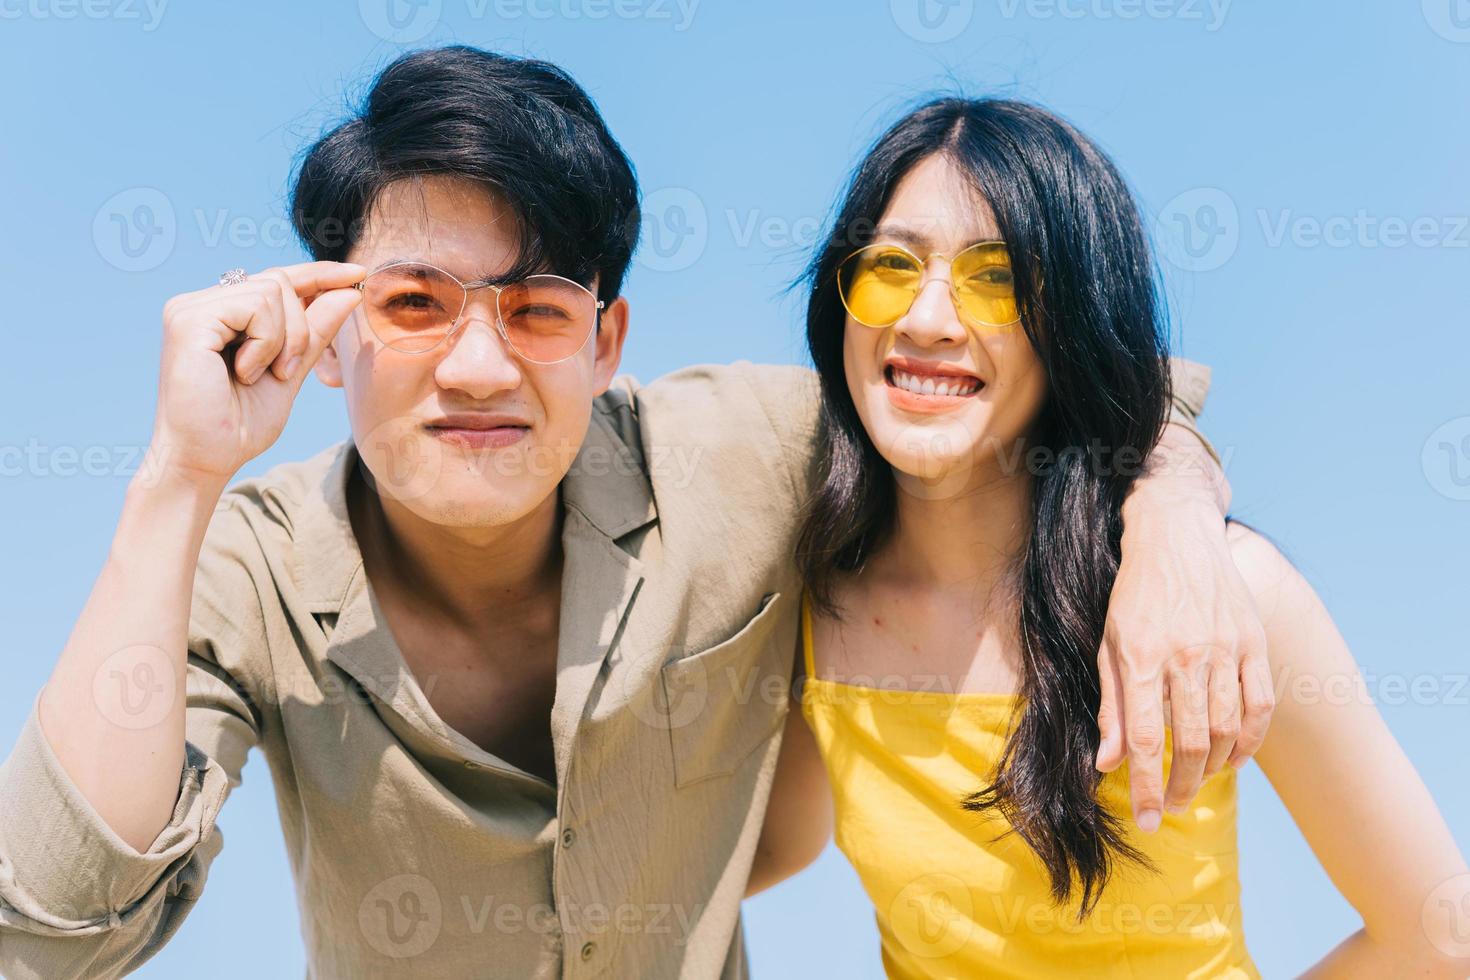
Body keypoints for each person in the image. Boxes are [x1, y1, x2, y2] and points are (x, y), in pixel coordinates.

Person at [0, 48, 1260, 979]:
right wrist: (175, 476)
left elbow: (1030, 393)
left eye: (538, 307)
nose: (481, 367)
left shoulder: (746, 453)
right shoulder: (247, 562)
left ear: (608, 339)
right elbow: (47, 932)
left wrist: (1174, 511)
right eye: (414, 304)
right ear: (332, 335)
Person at [748, 97, 1470, 978]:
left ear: (1078, 322)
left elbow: (1438, 935)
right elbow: (765, 848)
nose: (928, 317)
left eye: (999, 277)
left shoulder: (1225, 595)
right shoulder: (810, 604)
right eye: (891, 265)